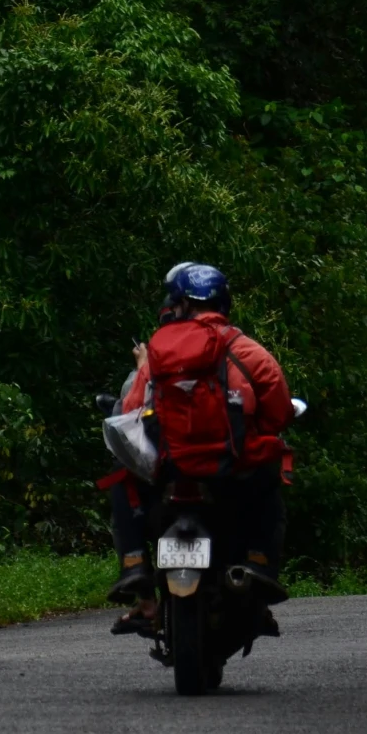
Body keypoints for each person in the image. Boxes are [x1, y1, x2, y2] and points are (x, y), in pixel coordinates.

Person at [101, 262, 296, 624]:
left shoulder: (159, 350)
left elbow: (130, 411)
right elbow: (280, 413)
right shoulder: (248, 351)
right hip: (231, 472)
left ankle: (133, 563)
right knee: (271, 484)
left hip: (168, 469)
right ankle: (258, 563)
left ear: (180, 304)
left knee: (122, 477)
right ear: (223, 303)